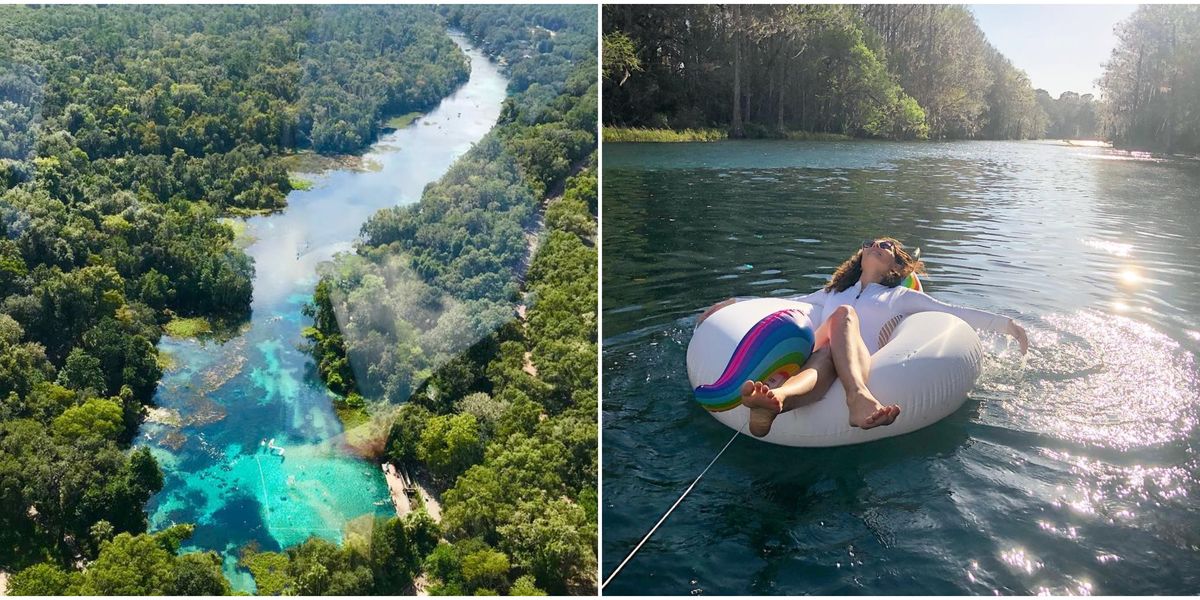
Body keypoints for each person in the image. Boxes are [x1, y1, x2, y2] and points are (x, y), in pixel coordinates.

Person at [697, 237, 1029, 437]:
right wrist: (736, 302)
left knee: (834, 340)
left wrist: (1008, 326)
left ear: (895, 265)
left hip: (857, 359)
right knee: (833, 331)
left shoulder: (899, 297)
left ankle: (797, 400)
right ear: (861, 255)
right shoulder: (834, 291)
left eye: (886, 246)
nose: (876, 246)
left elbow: (955, 312)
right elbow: (788, 302)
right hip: (821, 350)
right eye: (871, 243)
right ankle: (818, 400)